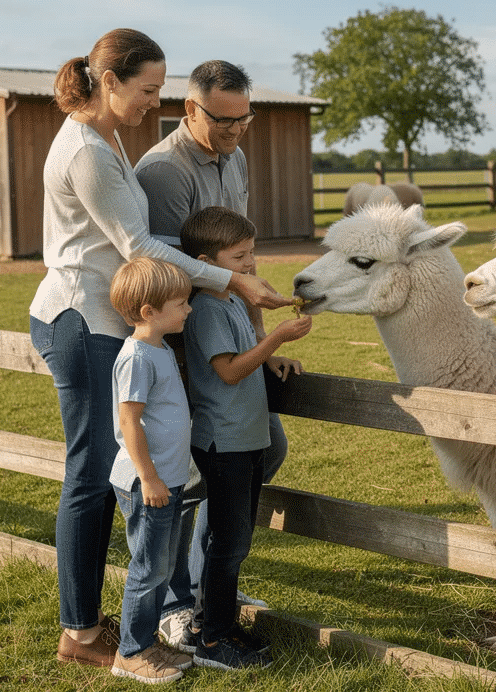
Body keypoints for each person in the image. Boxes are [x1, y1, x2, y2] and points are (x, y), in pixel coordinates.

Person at [28, 28, 291, 668]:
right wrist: (231, 280)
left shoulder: (107, 134)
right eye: (148, 89)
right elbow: (139, 248)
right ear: (109, 81)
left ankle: (164, 600)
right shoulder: (89, 150)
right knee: (90, 477)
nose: (156, 102)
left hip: (106, 317)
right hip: (83, 315)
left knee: (131, 470)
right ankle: (83, 633)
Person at [135, 60, 289, 650]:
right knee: (186, 473)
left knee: (264, 449)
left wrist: (256, 332)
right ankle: (181, 603)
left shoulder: (237, 156)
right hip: (183, 337)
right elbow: (178, 268)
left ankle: (209, 586)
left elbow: (237, 257)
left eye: (243, 118)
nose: (234, 131)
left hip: (229, 325)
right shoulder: (165, 172)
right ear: (189, 109)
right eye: (222, 121)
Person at [179, 206, 312, 670]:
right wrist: (276, 340)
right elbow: (230, 372)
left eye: (252, 253)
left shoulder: (234, 301)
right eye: (239, 257)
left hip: (247, 439)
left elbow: (247, 359)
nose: (251, 263)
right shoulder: (207, 310)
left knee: (231, 539)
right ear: (206, 261)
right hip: (225, 444)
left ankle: (208, 625)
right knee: (229, 542)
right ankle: (213, 642)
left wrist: (273, 358)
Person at [106, 258, 197, 683]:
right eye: (182, 303)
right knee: (148, 567)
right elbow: (129, 421)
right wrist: (150, 477)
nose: (189, 310)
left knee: (159, 565)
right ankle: (132, 652)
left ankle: (147, 642)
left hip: (166, 480)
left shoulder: (159, 349)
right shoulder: (137, 357)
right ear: (149, 312)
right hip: (149, 484)